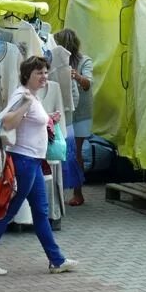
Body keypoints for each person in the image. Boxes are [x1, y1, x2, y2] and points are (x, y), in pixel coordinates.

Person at [0, 56, 78, 276]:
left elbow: (29, 121)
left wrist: (48, 118)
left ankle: (56, 260)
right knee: (7, 211)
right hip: (23, 162)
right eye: (38, 73)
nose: (44, 77)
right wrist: (27, 105)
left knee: (40, 212)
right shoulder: (23, 96)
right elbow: (9, 121)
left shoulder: (32, 96)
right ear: (27, 76)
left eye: (45, 72)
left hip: (32, 162)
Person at [54, 28, 94, 207]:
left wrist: (76, 76)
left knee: (76, 153)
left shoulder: (85, 61)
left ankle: (78, 192)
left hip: (81, 114)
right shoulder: (56, 61)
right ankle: (60, 190)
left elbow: (87, 84)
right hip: (64, 112)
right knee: (62, 151)